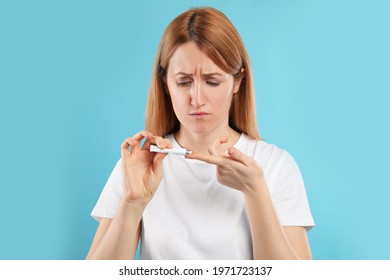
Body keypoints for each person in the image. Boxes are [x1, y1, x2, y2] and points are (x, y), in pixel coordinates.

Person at [86, 7, 314, 260]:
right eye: (183, 82)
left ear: (237, 81)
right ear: (166, 84)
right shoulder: (140, 166)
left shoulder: (274, 165)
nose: (196, 99)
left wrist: (255, 191)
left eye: (212, 81)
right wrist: (132, 202)